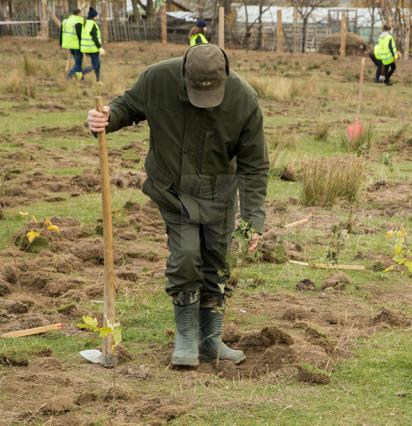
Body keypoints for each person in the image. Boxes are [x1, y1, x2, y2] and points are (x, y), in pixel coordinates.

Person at [86, 44, 269, 367]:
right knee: (186, 256)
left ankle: (210, 340)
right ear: (184, 75)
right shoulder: (158, 79)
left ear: (225, 78)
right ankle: (186, 337)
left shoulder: (244, 101)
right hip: (172, 190)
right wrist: (107, 117)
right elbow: (127, 106)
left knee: (217, 263)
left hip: (218, 192)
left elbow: (254, 165)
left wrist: (253, 217)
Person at [80, 7, 105, 81]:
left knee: (98, 64)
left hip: (86, 48)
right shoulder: (92, 24)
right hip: (92, 48)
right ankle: (81, 73)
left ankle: (98, 80)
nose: (97, 16)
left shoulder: (86, 23)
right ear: (94, 16)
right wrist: (100, 47)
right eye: (96, 15)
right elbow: (94, 38)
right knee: (95, 65)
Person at [60, 8, 84, 80]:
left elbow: (61, 33)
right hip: (77, 44)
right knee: (78, 63)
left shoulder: (66, 21)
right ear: (78, 13)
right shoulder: (78, 21)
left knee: (77, 62)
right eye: (81, 13)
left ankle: (80, 78)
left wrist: (61, 42)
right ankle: (69, 76)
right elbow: (80, 35)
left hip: (69, 44)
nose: (82, 15)